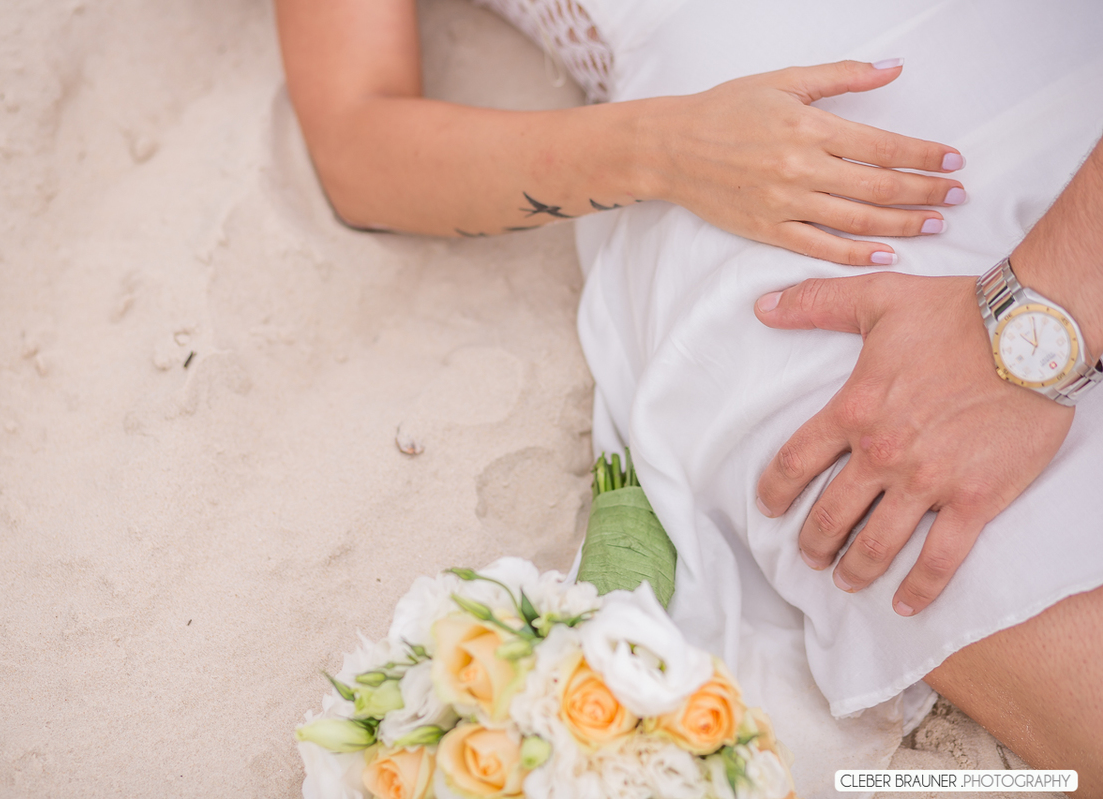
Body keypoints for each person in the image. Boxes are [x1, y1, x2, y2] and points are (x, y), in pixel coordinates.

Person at [275, 0, 1103, 793]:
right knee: (875, 481)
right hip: (770, 171)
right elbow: (357, 137)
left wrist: (1036, 317)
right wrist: (665, 147)